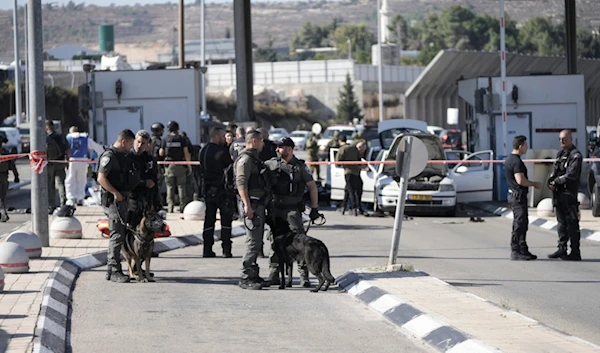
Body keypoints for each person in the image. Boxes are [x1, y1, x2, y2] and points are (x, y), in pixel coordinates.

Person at [264, 137, 321, 287]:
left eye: (280, 147)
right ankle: (274, 273)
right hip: (275, 211)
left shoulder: (300, 167)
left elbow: (312, 186)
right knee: (274, 242)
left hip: (293, 211)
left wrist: (314, 209)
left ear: (289, 149)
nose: (277, 149)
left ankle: (304, 275)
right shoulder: (271, 164)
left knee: (300, 243)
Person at [97, 129, 140, 283]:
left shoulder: (122, 156)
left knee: (120, 233)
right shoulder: (109, 156)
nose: (130, 147)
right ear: (123, 142)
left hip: (122, 199)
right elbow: (101, 178)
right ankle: (115, 270)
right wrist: (115, 192)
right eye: (129, 144)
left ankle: (111, 270)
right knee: (117, 234)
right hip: (113, 201)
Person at [235, 130, 270, 290]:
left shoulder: (254, 159)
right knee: (252, 241)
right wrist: (247, 205)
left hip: (258, 204)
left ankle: (253, 273)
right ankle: (246, 276)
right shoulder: (246, 159)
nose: (263, 144)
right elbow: (241, 182)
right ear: (254, 141)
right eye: (261, 141)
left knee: (257, 241)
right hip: (252, 205)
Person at [504, 135, 542, 261]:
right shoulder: (516, 161)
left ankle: (523, 248)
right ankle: (515, 249)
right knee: (519, 223)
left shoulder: (509, 159)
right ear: (520, 146)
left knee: (523, 223)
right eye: (525, 145)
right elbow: (520, 180)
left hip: (514, 195)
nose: (527, 147)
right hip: (518, 196)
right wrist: (534, 184)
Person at [548, 130, 583, 261]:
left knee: (572, 224)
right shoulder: (560, 154)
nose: (562, 142)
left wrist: (557, 181)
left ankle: (575, 251)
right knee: (561, 224)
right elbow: (555, 171)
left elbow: (571, 175)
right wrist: (551, 181)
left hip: (569, 194)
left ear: (571, 139)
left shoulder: (576, 156)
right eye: (560, 139)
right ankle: (562, 249)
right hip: (559, 195)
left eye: (564, 139)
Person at [199, 127, 234, 258]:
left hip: (208, 189)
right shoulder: (221, 151)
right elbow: (230, 167)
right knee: (226, 221)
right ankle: (226, 249)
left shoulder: (203, 151)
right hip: (222, 190)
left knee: (209, 220)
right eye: (223, 137)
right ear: (217, 137)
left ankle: (207, 249)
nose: (225, 139)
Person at [65, 126, 105, 206]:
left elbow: (64, 150)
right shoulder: (85, 138)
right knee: (82, 179)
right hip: (83, 160)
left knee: (70, 179)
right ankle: (80, 198)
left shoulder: (68, 138)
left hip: (71, 160)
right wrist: (102, 155)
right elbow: (97, 148)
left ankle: (71, 198)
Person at [159, 121, 192, 213]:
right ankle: (182, 207)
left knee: (170, 187)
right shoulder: (181, 139)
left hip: (169, 166)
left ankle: (170, 207)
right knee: (181, 186)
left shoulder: (165, 139)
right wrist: (189, 165)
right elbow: (186, 153)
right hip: (180, 165)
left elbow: (161, 152)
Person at [46, 120, 70, 212]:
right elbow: (68, 149)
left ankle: (51, 206)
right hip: (60, 162)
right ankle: (63, 203)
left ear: (47, 127)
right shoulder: (61, 136)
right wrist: (67, 161)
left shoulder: (45, 138)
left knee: (50, 185)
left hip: (49, 164)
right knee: (61, 184)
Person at [336, 135, 362, 215]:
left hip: (348, 172)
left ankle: (354, 208)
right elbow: (359, 159)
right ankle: (343, 207)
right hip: (356, 172)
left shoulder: (342, 149)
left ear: (340, 141)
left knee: (350, 190)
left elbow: (337, 162)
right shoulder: (354, 148)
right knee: (347, 190)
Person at [0, 135, 19, 222]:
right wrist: (16, 176)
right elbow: (12, 166)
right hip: (5, 177)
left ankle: (4, 214)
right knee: (3, 197)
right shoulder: (6, 153)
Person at [150, 122, 165, 207]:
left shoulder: (149, 139)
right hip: (157, 165)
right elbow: (157, 154)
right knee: (158, 185)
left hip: (151, 165)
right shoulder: (158, 141)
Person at [180, 131, 197, 203]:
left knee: (184, 184)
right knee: (189, 183)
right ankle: (192, 198)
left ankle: (188, 200)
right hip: (188, 164)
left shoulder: (183, 142)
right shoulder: (187, 142)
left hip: (185, 165)